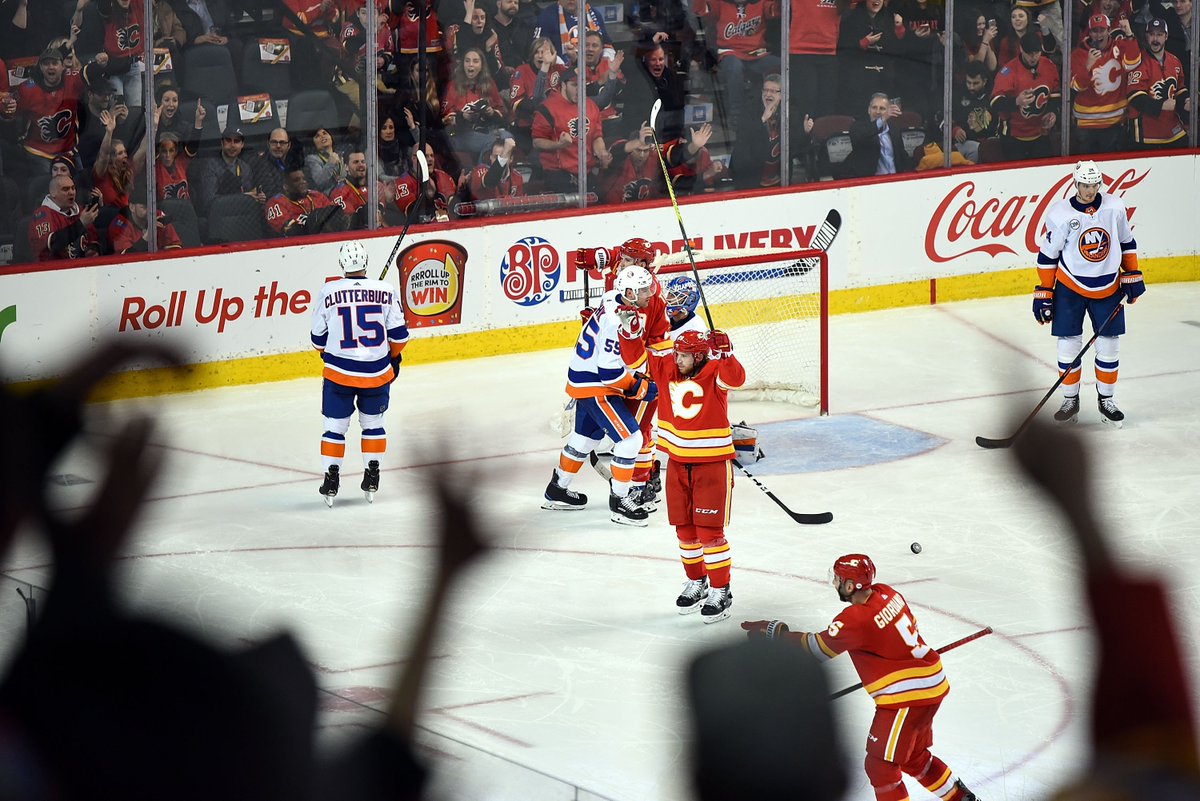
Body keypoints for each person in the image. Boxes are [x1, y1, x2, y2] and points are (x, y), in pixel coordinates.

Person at [1010, 421, 1200, 801]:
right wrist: (1075, 505)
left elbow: (1144, 695)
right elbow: (1148, 700)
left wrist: (1074, 505)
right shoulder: (1155, 761)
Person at [741, 553, 982, 801]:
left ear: (849, 586)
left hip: (907, 698)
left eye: (838, 579)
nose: (835, 583)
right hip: (931, 683)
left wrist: (776, 634)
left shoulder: (855, 619)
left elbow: (815, 650)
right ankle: (961, 798)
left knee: (881, 767)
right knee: (913, 758)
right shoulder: (887, 593)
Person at [619, 325, 743, 621]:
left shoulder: (714, 370)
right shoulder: (666, 368)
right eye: (677, 354)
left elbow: (736, 379)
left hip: (711, 465)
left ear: (699, 356)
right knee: (685, 531)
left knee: (710, 533)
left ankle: (721, 589)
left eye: (684, 355)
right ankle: (696, 582)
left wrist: (726, 354)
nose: (678, 359)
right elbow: (635, 359)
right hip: (677, 464)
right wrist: (628, 333)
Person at [541, 265, 660, 526]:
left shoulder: (611, 297)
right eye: (643, 290)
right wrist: (637, 386)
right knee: (631, 440)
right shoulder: (615, 322)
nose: (649, 294)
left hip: (580, 378)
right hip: (596, 385)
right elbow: (609, 373)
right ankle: (620, 502)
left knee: (585, 438)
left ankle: (558, 489)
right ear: (629, 293)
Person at [1033, 160, 1142, 427]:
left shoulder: (1114, 207)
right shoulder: (1060, 214)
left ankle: (1107, 400)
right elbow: (1047, 256)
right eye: (1084, 185)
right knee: (1067, 346)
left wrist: (1132, 273)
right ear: (1075, 183)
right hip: (1069, 288)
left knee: (1109, 346)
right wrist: (1045, 291)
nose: (1090, 190)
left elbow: (1126, 241)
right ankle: (1070, 400)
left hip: (1108, 288)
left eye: (1094, 185)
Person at [310, 241, 410, 507]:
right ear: (366, 262)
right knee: (373, 425)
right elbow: (400, 337)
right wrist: (390, 357)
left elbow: (317, 340)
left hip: (339, 374)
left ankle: (331, 478)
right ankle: (373, 474)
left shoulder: (329, 291)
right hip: (376, 373)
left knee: (334, 428)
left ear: (342, 264)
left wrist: (331, 351)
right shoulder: (386, 290)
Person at [695, 0, 780, 134]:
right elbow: (700, 10)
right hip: (729, 52)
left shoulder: (761, 2)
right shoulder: (720, 3)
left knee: (780, 65)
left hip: (756, 54)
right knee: (735, 67)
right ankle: (736, 116)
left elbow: (776, 11)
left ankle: (775, 113)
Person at [531, 65, 612, 191]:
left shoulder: (590, 106)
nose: (579, 90)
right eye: (574, 85)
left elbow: (597, 136)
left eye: (582, 85)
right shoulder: (547, 108)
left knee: (599, 196)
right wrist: (559, 145)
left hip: (585, 170)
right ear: (563, 85)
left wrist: (602, 153)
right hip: (557, 172)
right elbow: (537, 142)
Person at [1069, 14, 1140, 154]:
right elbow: (1076, 86)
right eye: (1094, 31)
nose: (1098, 35)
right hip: (1085, 123)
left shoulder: (1119, 46)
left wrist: (1129, 34)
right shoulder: (1079, 54)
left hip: (1114, 122)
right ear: (1089, 33)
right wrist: (1088, 65)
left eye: (1102, 30)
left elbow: (1133, 63)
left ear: (1109, 30)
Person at [990, 32, 1061, 160]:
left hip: (1041, 134)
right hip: (1013, 137)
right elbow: (994, 103)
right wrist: (1016, 101)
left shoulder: (1049, 66)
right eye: (1029, 53)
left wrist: (1052, 112)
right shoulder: (1008, 71)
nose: (1033, 57)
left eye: (1037, 52)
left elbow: (1055, 94)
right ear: (1021, 49)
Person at [1126, 17, 1189, 148]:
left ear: (1166, 37)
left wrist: (1186, 101)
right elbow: (1134, 97)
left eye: (1159, 34)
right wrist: (1161, 105)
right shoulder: (1139, 62)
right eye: (1152, 34)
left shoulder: (1175, 61)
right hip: (1146, 133)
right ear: (1146, 36)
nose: (1155, 39)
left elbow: (1179, 89)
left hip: (1172, 128)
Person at [29, 174, 102, 260]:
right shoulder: (42, 215)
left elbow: (93, 239)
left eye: (73, 188)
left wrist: (92, 249)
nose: (71, 192)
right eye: (65, 189)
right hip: (54, 266)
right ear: (53, 193)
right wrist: (81, 224)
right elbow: (53, 244)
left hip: (81, 265)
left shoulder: (80, 211)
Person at [265, 160, 345, 237]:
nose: (303, 182)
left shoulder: (316, 195)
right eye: (296, 180)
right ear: (286, 186)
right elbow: (291, 231)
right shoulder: (276, 203)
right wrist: (314, 218)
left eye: (303, 178)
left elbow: (334, 217)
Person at [192, 127, 261, 216]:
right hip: (217, 216)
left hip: (240, 215)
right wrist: (243, 197)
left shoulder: (245, 168)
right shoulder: (210, 166)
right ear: (222, 143)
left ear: (242, 145)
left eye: (236, 141)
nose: (232, 145)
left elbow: (250, 198)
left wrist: (258, 197)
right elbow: (209, 201)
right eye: (228, 140)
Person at [846, 92, 912, 178]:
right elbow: (860, 136)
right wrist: (882, 119)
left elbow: (902, 155)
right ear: (868, 110)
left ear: (888, 111)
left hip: (895, 179)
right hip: (872, 181)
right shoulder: (858, 127)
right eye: (874, 107)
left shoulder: (894, 129)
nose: (877, 112)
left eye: (882, 108)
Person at [252, 127, 293, 199]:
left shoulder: (296, 161)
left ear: (289, 145)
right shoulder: (260, 164)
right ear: (268, 144)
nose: (278, 146)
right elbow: (269, 193)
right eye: (274, 142)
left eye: (282, 142)